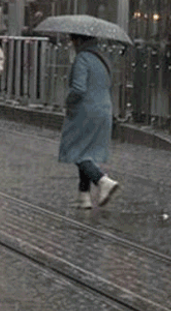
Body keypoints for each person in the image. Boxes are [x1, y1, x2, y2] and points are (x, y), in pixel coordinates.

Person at [60, 33, 120, 209]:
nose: (71, 44)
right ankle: (83, 196)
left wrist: (68, 101)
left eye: (72, 40)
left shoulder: (82, 58)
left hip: (85, 110)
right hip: (104, 109)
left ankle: (102, 180)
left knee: (74, 149)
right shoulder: (103, 58)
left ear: (79, 41)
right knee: (86, 151)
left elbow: (78, 88)